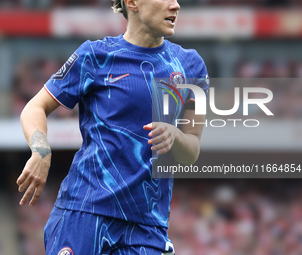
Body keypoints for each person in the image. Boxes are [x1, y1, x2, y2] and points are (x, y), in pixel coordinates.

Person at [16, 0, 209, 254]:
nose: (176, 5)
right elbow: (34, 108)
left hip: (147, 226)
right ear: (132, 3)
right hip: (84, 213)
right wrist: (41, 151)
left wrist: (176, 136)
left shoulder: (192, 66)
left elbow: (192, 151)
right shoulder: (94, 56)